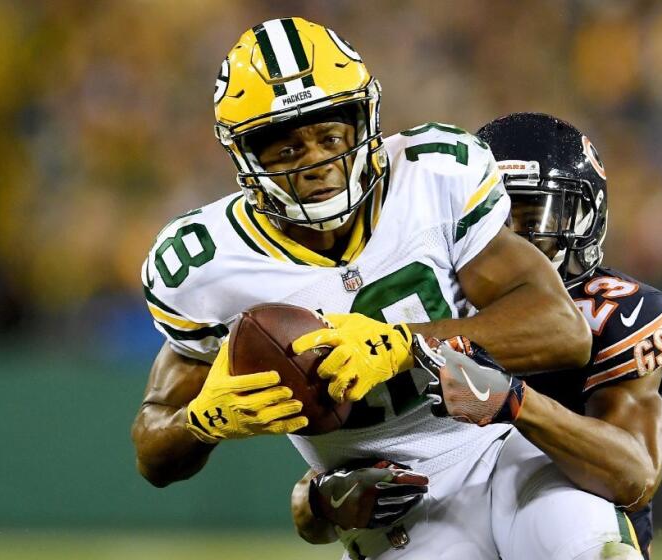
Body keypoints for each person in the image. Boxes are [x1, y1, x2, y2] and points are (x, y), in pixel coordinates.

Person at [131, 18, 594, 559]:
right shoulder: (206, 264)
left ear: (364, 122)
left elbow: (562, 330)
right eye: (287, 151)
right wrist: (200, 423)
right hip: (394, 505)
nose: (316, 165)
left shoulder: (433, 175)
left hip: (509, 447)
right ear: (246, 157)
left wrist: (404, 344)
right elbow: (153, 451)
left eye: (329, 137)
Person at [294, 113, 662, 559]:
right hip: (441, 530)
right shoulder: (425, 306)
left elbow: (632, 478)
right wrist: (324, 498)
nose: (511, 237)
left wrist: (516, 403)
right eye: (496, 218)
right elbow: (310, 506)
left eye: (529, 214)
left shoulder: (615, 313)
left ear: (583, 218)